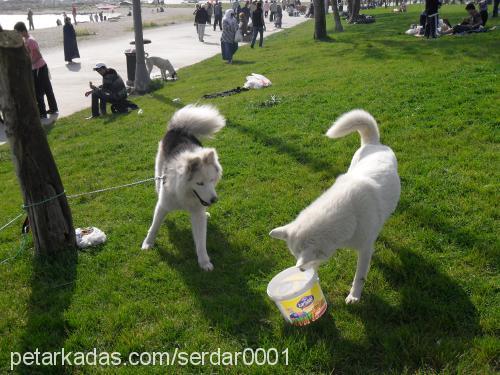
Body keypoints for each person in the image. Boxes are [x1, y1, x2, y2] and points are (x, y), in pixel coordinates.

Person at [14, 22, 58, 120]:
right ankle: (53, 108)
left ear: (23, 31)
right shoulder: (27, 40)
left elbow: (38, 55)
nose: (18, 35)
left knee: (39, 92)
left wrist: (30, 64)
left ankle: (42, 113)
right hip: (41, 67)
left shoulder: (30, 41)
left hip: (39, 68)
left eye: (18, 33)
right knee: (47, 89)